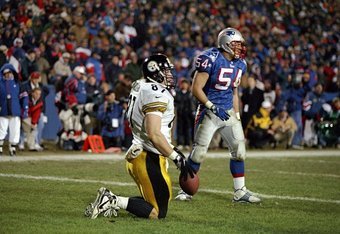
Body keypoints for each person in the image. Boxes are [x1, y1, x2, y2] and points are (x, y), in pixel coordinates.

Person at [84, 54, 193, 219]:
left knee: (160, 199)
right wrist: (176, 157)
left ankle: (112, 200)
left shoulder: (141, 85)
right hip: (148, 156)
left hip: (141, 152)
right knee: (157, 213)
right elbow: (154, 133)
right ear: (154, 72)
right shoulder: (156, 92)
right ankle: (110, 200)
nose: (170, 75)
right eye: (166, 71)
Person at [176, 28, 261, 203]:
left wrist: (236, 114)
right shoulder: (210, 58)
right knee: (198, 153)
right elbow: (196, 89)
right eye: (236, 44)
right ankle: (186, 191)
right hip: (209, 111)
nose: (239, 48)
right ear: (225, 44)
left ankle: (240, 191)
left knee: (239, 151)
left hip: (228, 111)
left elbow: (234, 91)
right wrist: (211, 106)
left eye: (240, 44)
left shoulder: (241, 64)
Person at [0, 64, 29, 156]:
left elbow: (24, 97)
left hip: (15, 111)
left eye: (9, 72)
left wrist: (25, 108)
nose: (8, 74)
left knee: (15, 130)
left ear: (13, 72)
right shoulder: (0, 84)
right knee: (2, 129)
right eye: (5, 73)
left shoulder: (18, 83)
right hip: (3, 111)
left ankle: (12, 147)